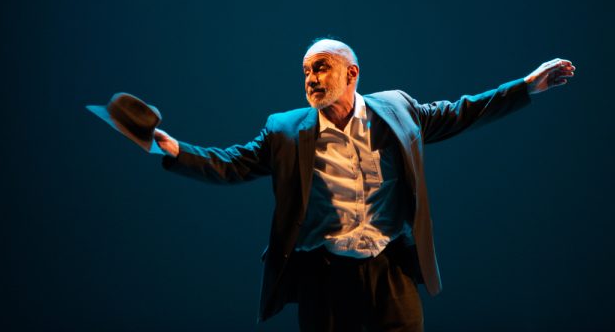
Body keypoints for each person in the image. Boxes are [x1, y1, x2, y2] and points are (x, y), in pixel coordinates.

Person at [153, 38, 576, 332]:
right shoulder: (285, 131)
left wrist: (526, 87)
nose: (311, 78)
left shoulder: (396, 109)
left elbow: (461, 112)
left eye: (321, 67)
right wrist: (175, 150)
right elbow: (233, 164)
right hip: (325, 278)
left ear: (351, 73)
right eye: (306, 71)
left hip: (389, 269)